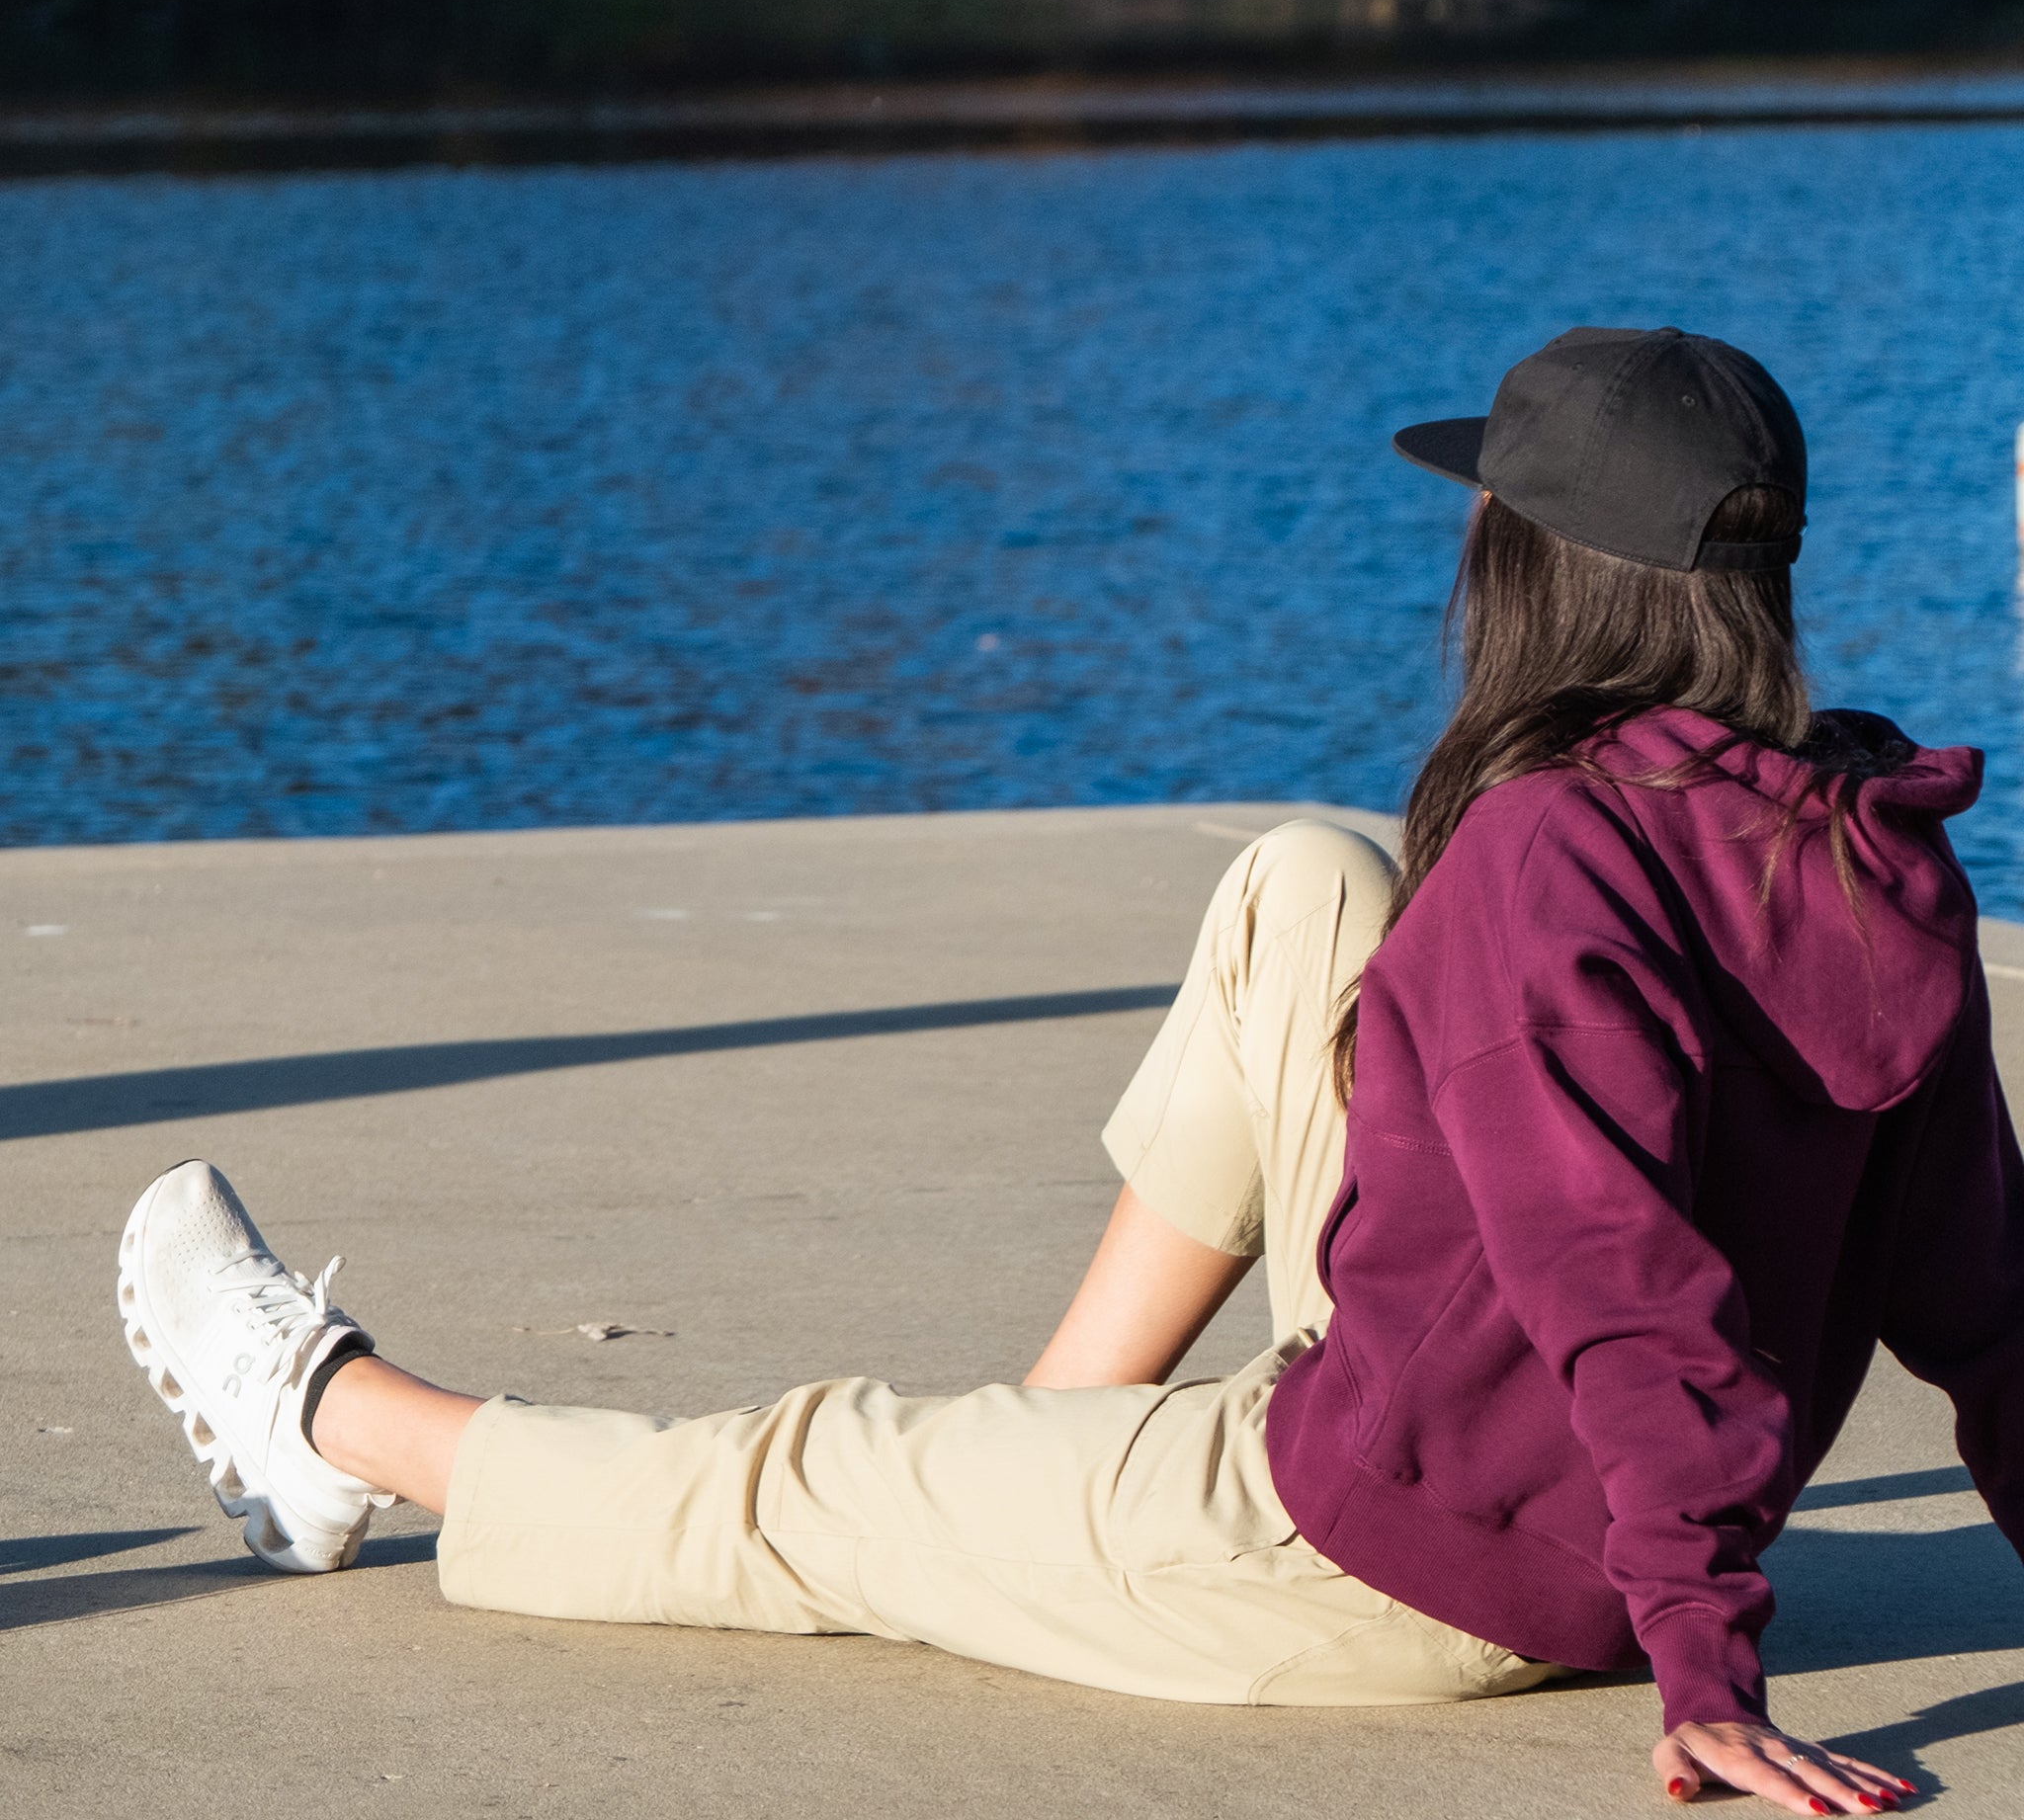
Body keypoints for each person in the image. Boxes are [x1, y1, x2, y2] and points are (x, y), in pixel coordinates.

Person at [116, 325, 2020, 1813]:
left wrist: (1703, 1666)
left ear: (1545, 571)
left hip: (1399, 1557)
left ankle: (327, 1431)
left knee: (804, 1478)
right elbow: (1986, 1308)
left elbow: (1625, 1290)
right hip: (1560, 1494)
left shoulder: (1552, 851)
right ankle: (1047, 1449)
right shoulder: (1868, 845)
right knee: (1306, 885)